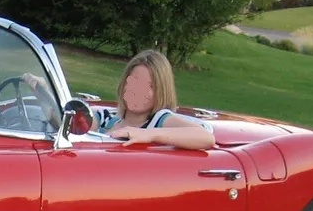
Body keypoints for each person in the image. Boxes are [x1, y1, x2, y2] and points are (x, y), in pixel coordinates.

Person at [22, 49, 215, 150]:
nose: (138, 90)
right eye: (134, 82)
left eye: (149, 86)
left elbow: (205, 137)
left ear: (161, 91)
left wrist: (149, 135)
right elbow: (72, 125)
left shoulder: (158, 120)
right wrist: (44, 94)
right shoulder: (108, 118)